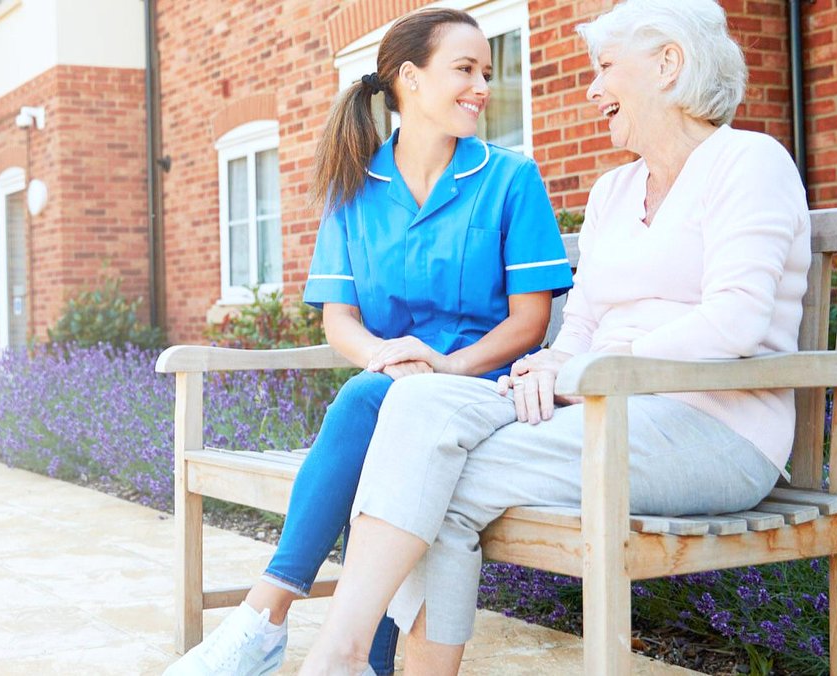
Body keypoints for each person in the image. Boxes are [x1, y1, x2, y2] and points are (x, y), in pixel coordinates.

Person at [297, 1, 811, 674]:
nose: (592, 90)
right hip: (600, 409)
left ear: (668, 65)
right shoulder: (613, 191)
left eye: (604, 69)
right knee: (416, 405)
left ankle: (339, 655)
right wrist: (550, 364)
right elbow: (587, 324)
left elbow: (736, 320)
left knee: (438, 477)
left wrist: (584, 369)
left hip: (714, 428)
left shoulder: (748, 162)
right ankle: (347, 653)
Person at [164, 8, 573, 676]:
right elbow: (340, 320)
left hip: (482, 386)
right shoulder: (355, 187)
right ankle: (365, 665)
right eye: (464, 69)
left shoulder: (510, 179)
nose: (482, 87)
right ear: (410, 79)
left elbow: (528, 324)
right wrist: (387, 358)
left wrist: (442, 365)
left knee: (367, 404)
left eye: (487, 73)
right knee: (378, 417)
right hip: (392, 387)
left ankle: (264, 617)